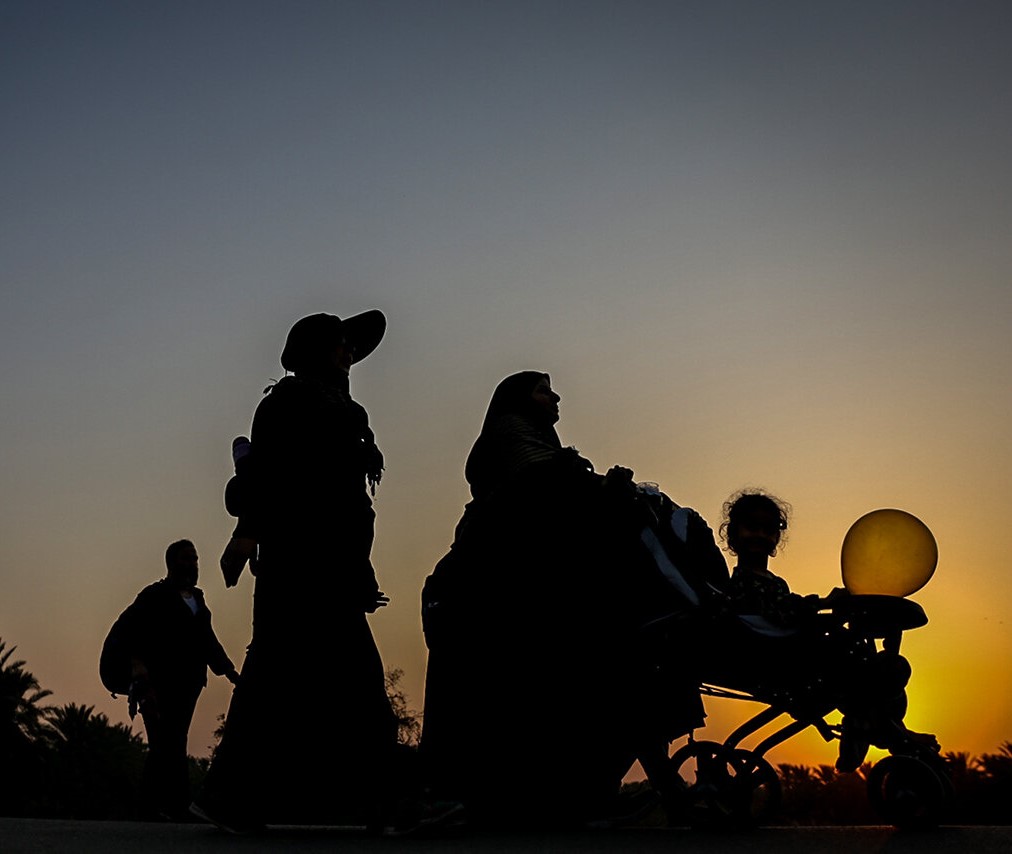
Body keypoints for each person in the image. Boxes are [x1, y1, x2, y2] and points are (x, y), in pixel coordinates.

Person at [420, 371, 709, 827]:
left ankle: (572, 796)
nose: (554, 397)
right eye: (542, 389)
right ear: (516, 403)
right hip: (482, 595)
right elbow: (548, 492)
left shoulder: (552, 466)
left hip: (524, 592)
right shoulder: (517, 447)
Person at [192, 311, 399, 832]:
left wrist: (360, 568)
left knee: (279, 679)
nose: (349, 354)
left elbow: (346, 500)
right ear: (316, 352)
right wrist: (247, 531)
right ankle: (391, 801)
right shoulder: (288, 403)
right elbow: (274, 476)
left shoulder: (336, 408)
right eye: (340, 345)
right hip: (306, 563)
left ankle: (230, 796)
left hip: (326, 562)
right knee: (353, 682)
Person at [714, 488, 938, 772]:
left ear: (775, 541)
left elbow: (788, 610)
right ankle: (871, 726)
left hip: (792, 649)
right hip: (778, 659)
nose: (760, 535)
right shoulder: (740, 585)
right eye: (751, 527)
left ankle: (878, 724)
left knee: (874, 661)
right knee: (855, 661)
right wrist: (824, 605)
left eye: (768, 530)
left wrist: (829, 610)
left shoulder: (774, 583)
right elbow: (779, 614)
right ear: (733, 536)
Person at [107, 539, 238, 820]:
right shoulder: (154, 596)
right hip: (157, 684)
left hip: (189, 684)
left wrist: (229, 671)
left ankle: (174, 806)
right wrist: (139, 672)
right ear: (171, 562)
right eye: (185, 558)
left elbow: (207, 640)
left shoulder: (198, 599)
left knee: (176, 740)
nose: (191, 564)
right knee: (162, 742)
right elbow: (131, 633)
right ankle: (154, 807)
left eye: (195, 558)